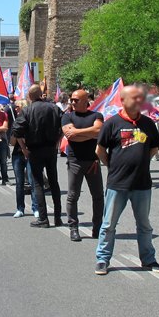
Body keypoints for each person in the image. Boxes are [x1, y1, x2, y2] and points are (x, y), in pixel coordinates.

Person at [94, 85, 159, 274]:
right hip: (118, 183)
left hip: (142, 183)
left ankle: (148, 260)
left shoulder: (148, 124)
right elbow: (100, 150)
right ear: (123, 101)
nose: (139, 102)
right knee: (109, 224)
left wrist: (140, 163)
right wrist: (113, 165)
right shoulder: (112, 123)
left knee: (144, 225)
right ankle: (102, 260)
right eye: (134, 98)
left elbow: (153, 148)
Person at [12, 84, 64, 228]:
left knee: (38, 184)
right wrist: (57, 142)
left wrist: (23, 148)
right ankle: (58, 218)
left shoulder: (27, 110)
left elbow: (16, 131)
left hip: (35, 150)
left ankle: (43, 218)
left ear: (29, 96)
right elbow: (64, 124)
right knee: (54, 182)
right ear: (41, 94)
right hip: (51, 148)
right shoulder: (54, 108)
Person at [62, 89, 104, 242]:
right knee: (73, 196)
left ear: (86, 101)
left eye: (76, 100)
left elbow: (99, 130)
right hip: (75, 161)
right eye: (71, 100)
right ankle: (73, 228)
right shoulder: (67, 116)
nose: (72, 102)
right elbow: (70, 135)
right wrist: (90, 133)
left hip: (93, 161)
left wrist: (79, 133)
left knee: (98, 196)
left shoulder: (96, 116)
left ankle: (97, 228)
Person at [10, 100, 39, 219]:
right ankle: (20, 208)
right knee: (19, 183)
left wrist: (24, 142)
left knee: (33, 182)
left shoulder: (31, 121)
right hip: (17, 155)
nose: (15, 109)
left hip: (31, 153)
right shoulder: (15, 122)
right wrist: (16, 135)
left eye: (18, 107)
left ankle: (36, 208)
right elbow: (12, 142)